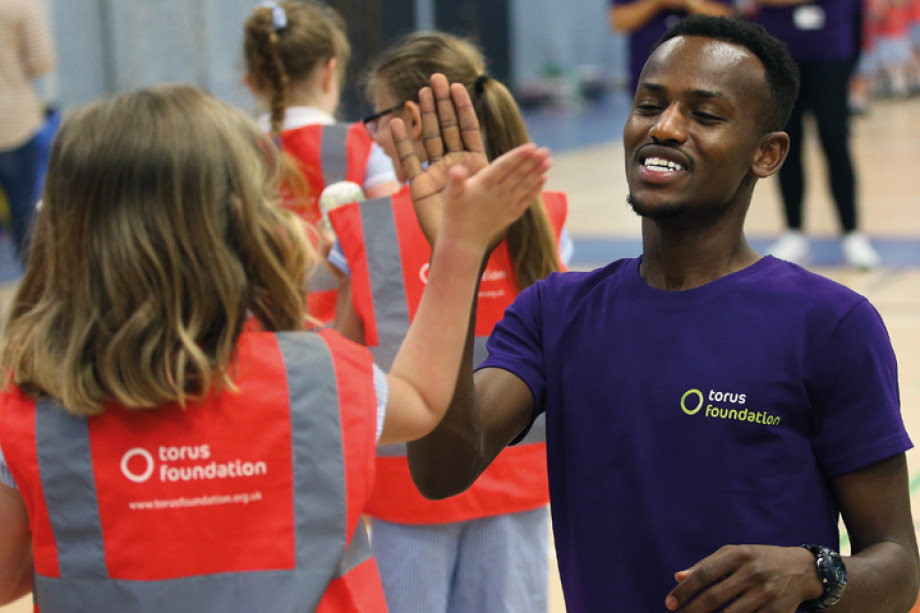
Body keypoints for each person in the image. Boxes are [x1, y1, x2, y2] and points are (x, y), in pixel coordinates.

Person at [400, 15, 920, 613]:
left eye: (705, 114)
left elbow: (897, 564)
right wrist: (457, 257)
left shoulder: (830, 324)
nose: (666, 127)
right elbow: (441, 472)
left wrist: (815, 571)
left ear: (768, 154)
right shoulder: (555, 312)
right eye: (650, 105)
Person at [0, 84, 551, 612]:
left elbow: (8, 575)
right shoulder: (313, 376)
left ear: (62, 231)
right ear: (243, 226)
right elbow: (426, 401)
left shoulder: (27, 415)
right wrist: (458, 249)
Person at [327, 31, 569, 613]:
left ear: (408, 117)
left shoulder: (362, 226)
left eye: (375, 117)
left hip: (406, 487)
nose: (371, 132)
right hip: (515, 474)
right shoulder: (541, 210)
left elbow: (343, 364)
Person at [243, 0, 400, 324]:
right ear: (330, 72)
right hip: (349, 330)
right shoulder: (365, 143)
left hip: (262, 334)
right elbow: (390, 239)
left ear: (251, 80)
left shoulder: (233, 149)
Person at [751, 0, 883, 269]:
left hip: (830, 49)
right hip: (780, 50)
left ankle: (852, 233)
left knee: (835, 140)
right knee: (786, 144)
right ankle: (793, 232)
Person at [0, 0, 56, 263]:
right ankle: (31, 291)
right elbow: (42, 62)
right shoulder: (22, 4)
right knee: (24, 210)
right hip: (13, 122)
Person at [608, 0, 732, 92]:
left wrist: (689, 2)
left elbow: (725, 19)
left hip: (702, 74)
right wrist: (656, 2)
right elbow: (618, 22)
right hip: (648, 73)